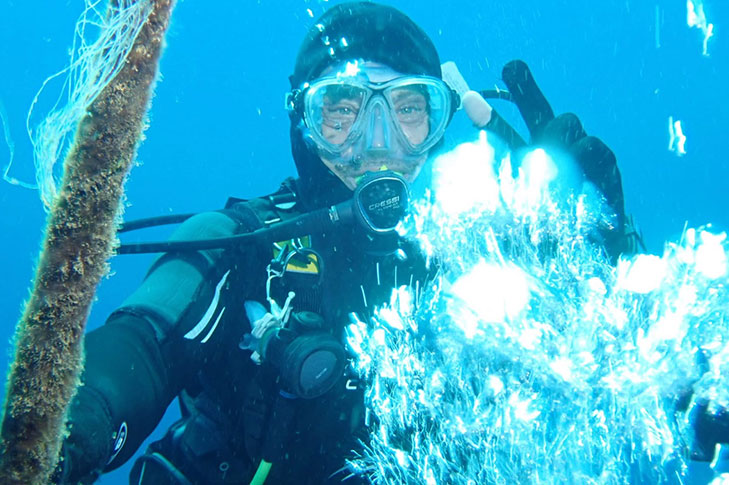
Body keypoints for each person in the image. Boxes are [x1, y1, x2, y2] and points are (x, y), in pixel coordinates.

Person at [53, 2, 633, 484]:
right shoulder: (238, 245)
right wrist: (71, 426)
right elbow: (135, 352)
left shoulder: (472, 263)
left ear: (436, 127)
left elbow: (622, 375)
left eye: (409, 111)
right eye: (343, 111)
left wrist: (596, 244)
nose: (377, 144)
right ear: (303, 124)